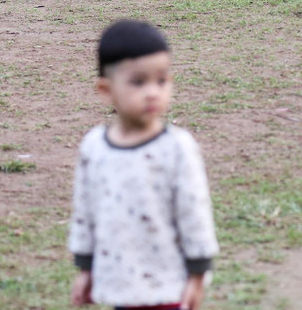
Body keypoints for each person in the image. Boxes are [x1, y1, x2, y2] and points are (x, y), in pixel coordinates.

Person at [69, 20, 218, 310]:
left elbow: (194, 213)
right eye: (138, 82)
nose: (152, 92)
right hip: (118, 286)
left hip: (169, 288)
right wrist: (85, 268)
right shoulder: (94, 148)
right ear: (105, 90)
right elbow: (84, 211)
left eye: (161, 80)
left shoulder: (177, 148)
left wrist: (198, 273)